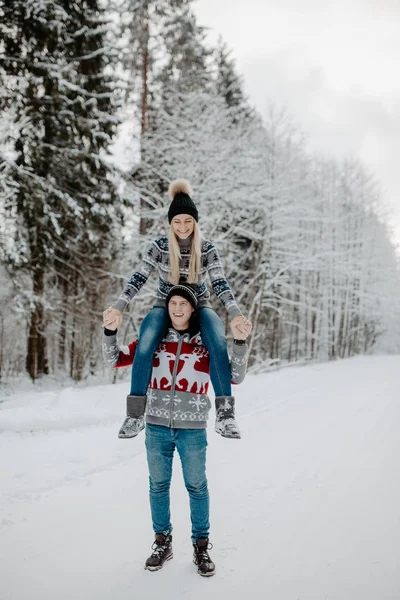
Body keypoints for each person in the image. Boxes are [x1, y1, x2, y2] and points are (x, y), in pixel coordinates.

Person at [102, 284, 250, 576]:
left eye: (184, 303)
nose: (178, 308)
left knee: (196, 487)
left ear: (193, 309)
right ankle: (162, 542)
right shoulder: (153, 339)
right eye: (173, 303)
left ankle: (201, 545)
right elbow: (115, 359)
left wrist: (241, 343)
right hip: (156, 426)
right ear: (166, 308)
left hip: (192, 429)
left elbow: (234, 376)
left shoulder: (205, 343)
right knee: (158, 486)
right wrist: (109, 331)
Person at [103, 178, 252, 440]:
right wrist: (119, 306)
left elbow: (219, 282)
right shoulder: (159, 247)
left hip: (199, 304)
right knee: (147, 338)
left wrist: (236, 313)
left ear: (195, 222)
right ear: (170, 223)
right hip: (165, 303)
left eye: (188, 221)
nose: (183, 227)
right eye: (177, 222)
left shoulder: (207, 250)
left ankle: (225, 415)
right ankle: (135, 414)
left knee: (216, 340)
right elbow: (139, 278)